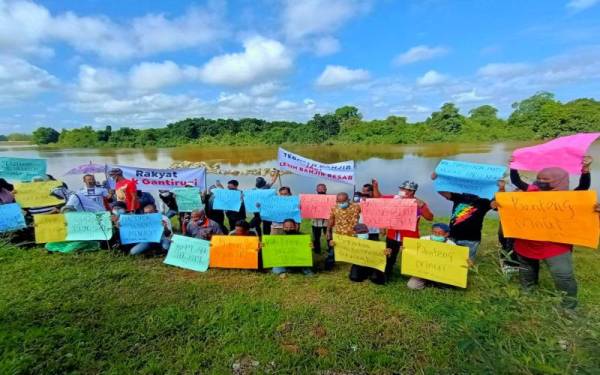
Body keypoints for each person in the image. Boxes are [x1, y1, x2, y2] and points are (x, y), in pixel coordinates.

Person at [507, 160, 592, 309]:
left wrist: (585, 171)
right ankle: (527, 298)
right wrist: (514, 166)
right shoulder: (531, 192)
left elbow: (583, 188)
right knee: (527, 272)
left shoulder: (567, 198)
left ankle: (569, 307)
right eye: (539, 178)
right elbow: (516, 181)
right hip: (527, 243)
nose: (540, 181)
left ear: (559, 180)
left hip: (555, 245)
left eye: (546, 179)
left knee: (563, 276)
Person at [374, 180, 434, 282]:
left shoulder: (418, 203)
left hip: (409, 237)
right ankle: (386, 273)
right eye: (400, 188)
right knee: (389, 256)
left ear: (411, 191)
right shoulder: (394, 199)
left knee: (411, 258)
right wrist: (375, 187)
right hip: (392, 236)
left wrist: (422, 206)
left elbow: (430, 217)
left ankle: (416, 277)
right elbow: (378, 198)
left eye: (403, 189)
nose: (400, 190)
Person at [431, 174, 498, 262]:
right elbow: (442, 192)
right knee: (449, 260)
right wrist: (436, 179)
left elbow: (497, 205)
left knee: (467, 263)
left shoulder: (485, 201)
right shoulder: (460, 197)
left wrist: (500, 188)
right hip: (453, 236)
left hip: (471, 239)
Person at [406, 223, 457, 290]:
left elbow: (456, 261)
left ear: (446, 234)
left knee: (448, 287)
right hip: (423, 270)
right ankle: (427, 281)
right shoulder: (423, 240)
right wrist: (406, 250)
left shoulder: (452, 245)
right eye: (434, 232)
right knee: (411, 286)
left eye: (439, 233)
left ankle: (434, 282)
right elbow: (414, 252)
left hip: (441, 272)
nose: (436, 234)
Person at [326, 192, 361, 270]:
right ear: (336, 201)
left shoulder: (357, 207)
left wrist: (366, 200)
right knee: (333, 252)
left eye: (343, 201)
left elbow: (370, 210)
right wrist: (328, 231)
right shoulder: (334, 208)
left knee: (356, 252)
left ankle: (357, 267)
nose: (341, 203)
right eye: (339, 202)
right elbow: (331, 220)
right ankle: (328, 266)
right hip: (339, 235)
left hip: (353, 235)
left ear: (348, 200)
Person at [251, 171, 280, 236]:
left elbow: (273, 180)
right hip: (258, 210)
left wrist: (277, 173)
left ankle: (266, 237)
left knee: (266, 226)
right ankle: (260, 235)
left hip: (267, 210)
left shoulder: (266, 187)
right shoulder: (254, 190)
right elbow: (273, 180)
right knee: (256, 225)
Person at [311, 183, 329, 253]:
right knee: (316, 237)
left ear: (326, 189)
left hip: (327, 222)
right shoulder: (312, 199)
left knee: (328, 236)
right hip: (316, 222)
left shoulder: (330, 198)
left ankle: (331, 249)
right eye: (319, 188)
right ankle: (317, 250)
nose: (321, 189)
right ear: (316, 189)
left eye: (322, 188)